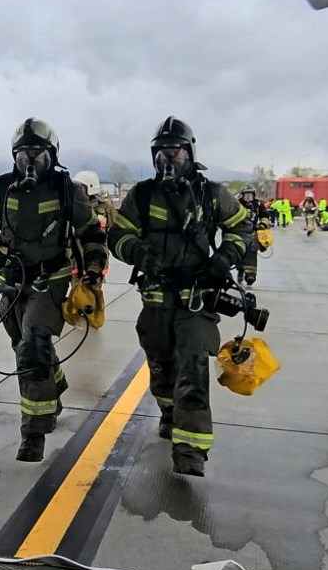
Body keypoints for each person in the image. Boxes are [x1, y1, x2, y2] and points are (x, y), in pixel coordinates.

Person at [108, 117, 252, 477]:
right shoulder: (141, 194)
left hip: (197, 298)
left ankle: (190, 450)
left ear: (189, 153)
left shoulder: (211, 193)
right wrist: (138, 253)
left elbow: (242, 228)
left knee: (193, 364)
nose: (167, 158)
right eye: (161, 152)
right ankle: (170, 413)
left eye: (174, 151)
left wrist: (224, 259)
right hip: (156, 298)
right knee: (161, 366)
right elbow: (118, 235)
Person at [0, 118, 108, 462]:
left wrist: (94, 271)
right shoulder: (1, 187)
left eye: (37, 154)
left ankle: (34, 432)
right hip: (13, 282)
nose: (30, 161)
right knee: (23, 345)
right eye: (23, 154)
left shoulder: (66, 189)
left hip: (51, 281)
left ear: (51, 155)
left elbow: (91, 233)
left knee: (33, 343)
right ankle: (53, 386)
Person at [237, 188, 266, 284]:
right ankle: (240, 270)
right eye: (246, 195)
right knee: (239, 253)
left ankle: (250, 276)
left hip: (253, 233)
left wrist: (262, 225)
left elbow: (265, 215)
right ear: (242, 195)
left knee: (252, 253)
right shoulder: (236, 204)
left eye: (250, 194)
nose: (248, 197)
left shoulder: (258, 205)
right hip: (238, 233)